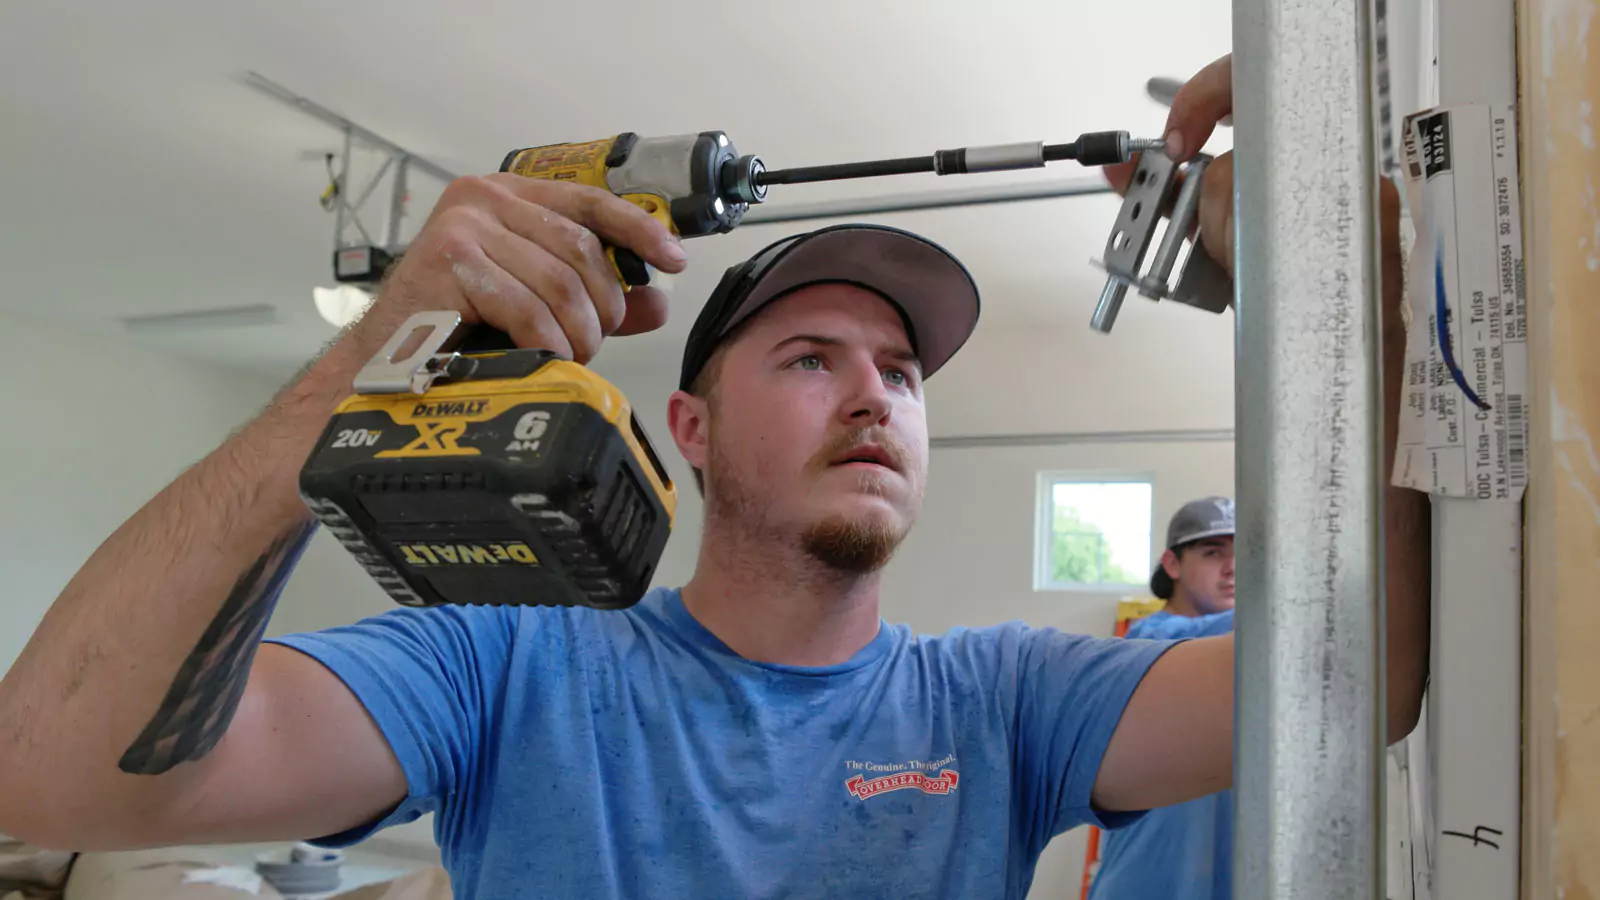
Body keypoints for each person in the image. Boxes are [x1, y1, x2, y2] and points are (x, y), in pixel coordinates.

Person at [0, 54, 1428, 899]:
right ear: (688, 430)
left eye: (905, 374)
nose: (875, 390)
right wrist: (365, 360)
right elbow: (53, 780)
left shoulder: (1005, 700)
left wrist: (1341, 291)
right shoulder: (505, 672)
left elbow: (1365, 678)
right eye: (812, 357)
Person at [1088, 496, 1239, 900]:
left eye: (1245, 551)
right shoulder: (1148, 640)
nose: (1233, 566)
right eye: (1212, 552)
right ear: (1172, 564)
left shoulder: (1245, 649)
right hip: (1147, 883)